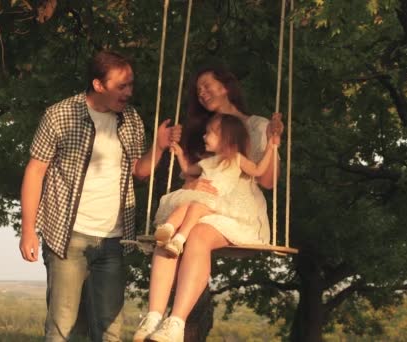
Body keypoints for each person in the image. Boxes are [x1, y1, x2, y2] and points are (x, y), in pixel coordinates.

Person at [19, 50, 181, 342]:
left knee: (110, 331)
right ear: (98, 85)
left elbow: (139, 171)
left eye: (131, 84)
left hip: (114, 240)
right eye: (122, 86)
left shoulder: (131, 119)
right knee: (64, 329)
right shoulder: (59, 115)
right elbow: (35, 171)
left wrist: (159, 146)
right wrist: (28, 230)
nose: (129, 92)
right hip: (67, 237)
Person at [133, 66, 283, 342]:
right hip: (201, 203)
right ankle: (154, 317)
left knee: (198, 234)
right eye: (197, 90)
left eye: (206, 86)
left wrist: (274, 143)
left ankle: (176, 322)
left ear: (226, 86)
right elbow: (191, 174)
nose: (201, 94)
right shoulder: (204, 132)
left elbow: (268, 181)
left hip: (238, 212)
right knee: (169, 237)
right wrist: (188, 177)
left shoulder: (257, 126)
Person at [152, 113, 278, 257]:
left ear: (226, 138)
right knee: (184, 206)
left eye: (209, 133)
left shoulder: (236, 158)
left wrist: (270, 148)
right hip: (200, 197)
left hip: (219, 201)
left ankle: (179, 239)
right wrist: (180, 154)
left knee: (195, 207)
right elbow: (188, 170)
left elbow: (258, 170)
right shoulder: (208, 161)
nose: (204, 136)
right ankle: (167, 229)